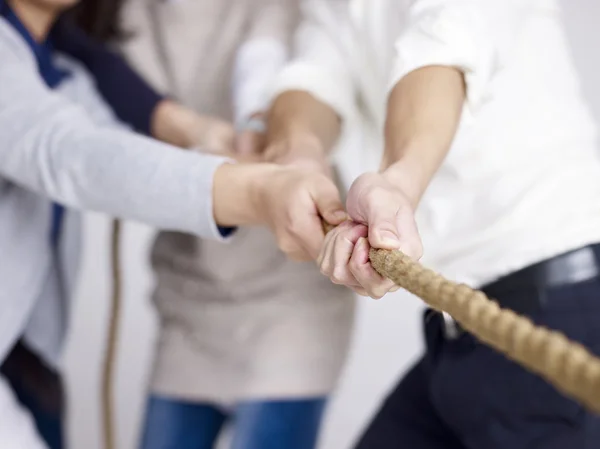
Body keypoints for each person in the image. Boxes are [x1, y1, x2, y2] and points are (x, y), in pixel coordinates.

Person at [0, 0, 347, 447]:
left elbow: (117, 144)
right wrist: (256, 192)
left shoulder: (67, 67)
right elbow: (74, 156)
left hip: (32, 351)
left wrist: (223, 142)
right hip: (182, 306)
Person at [265, 0, 600, 447]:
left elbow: (444, 42)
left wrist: (397, 184)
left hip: (559, 307)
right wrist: (300, 158)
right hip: (458, 328)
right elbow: (312, 76)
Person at [106, 1, 354, 448]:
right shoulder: (118, 17)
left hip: (287, 300)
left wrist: (252, 126)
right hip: (188, 294)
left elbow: (263, 62)